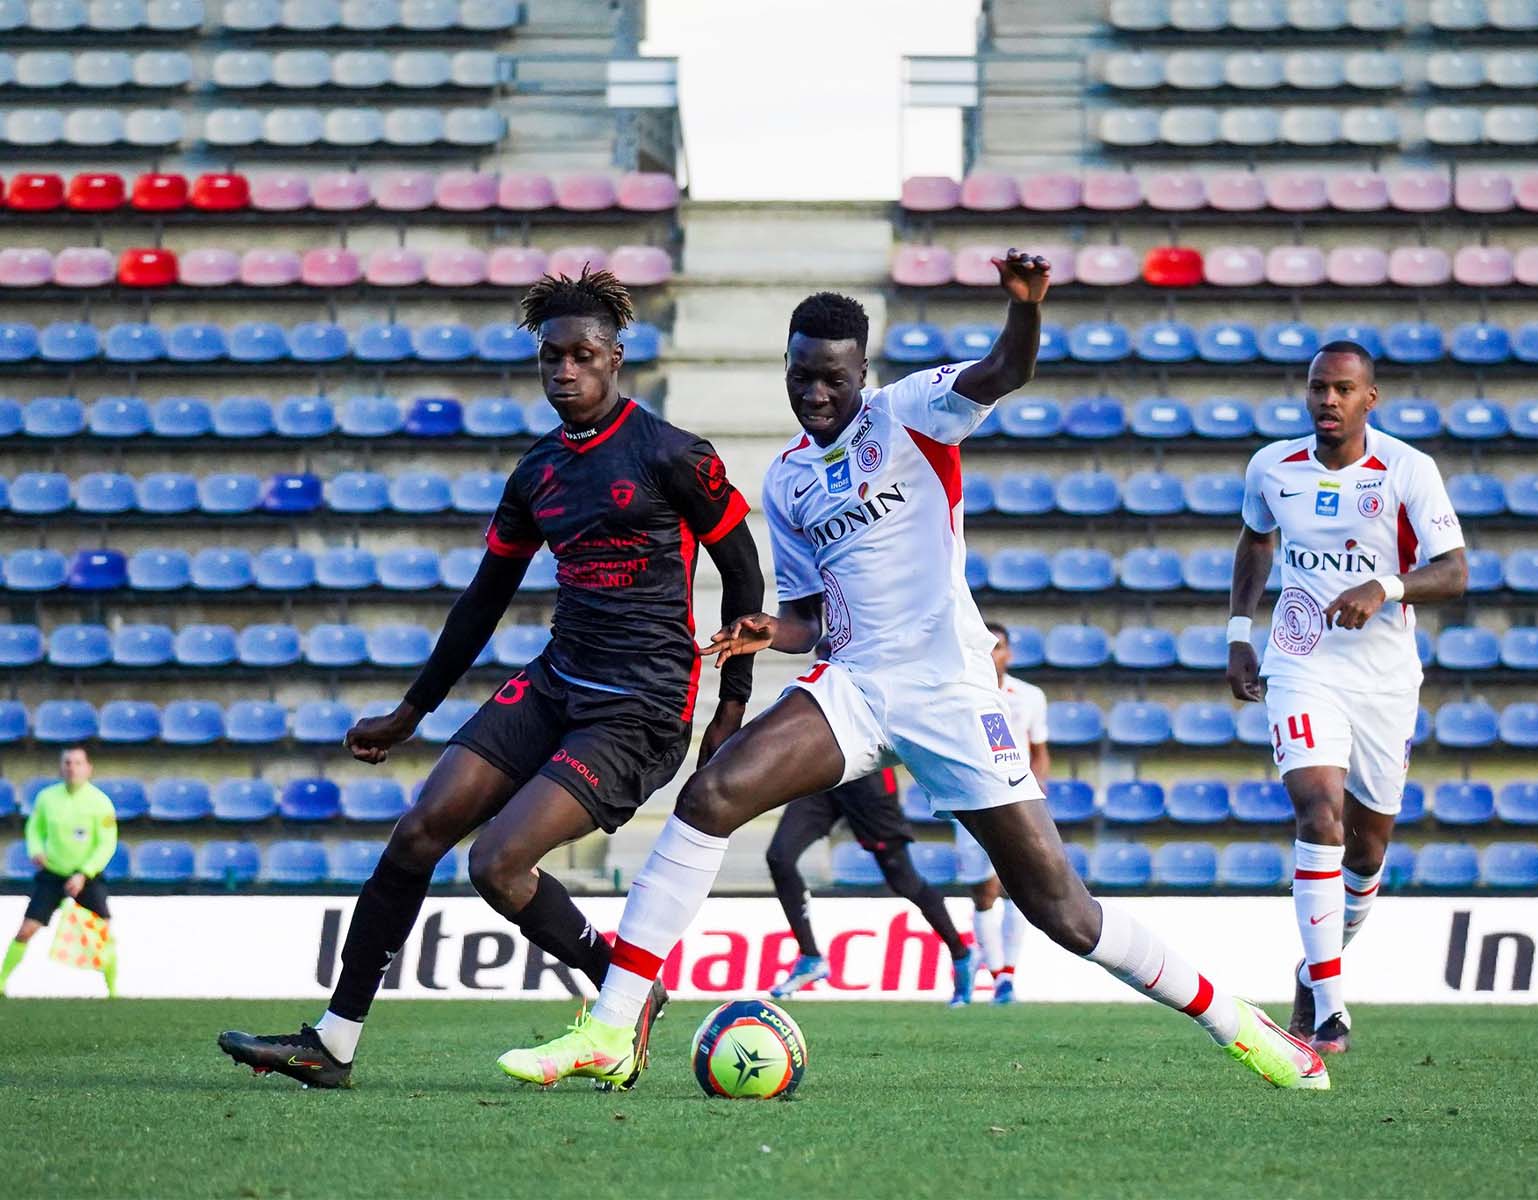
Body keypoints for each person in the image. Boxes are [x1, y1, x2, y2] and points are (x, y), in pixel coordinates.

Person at [500, 251, 1328, 1091]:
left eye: (830, 378)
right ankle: (610, 1026)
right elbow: (814, 613)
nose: (813, 394)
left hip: (951, 691)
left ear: (863, 371)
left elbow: (1010, 368)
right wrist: (770, 629)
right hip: (856, 686)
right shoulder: (787, 481)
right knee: (711, 795)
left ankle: (1242, 1025)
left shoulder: (916, 414)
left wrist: (1025, 308)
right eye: (799, 376)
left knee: (1064, 915)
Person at [218, 268, 764, 1089]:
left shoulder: (673, 455)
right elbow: (483, 599)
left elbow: (745, 572)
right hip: (556, 679)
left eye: (583, 357)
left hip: (642, 706)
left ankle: (620, 983)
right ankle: (330, 1044)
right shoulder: (536, 473)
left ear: (617, 359)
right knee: (418, 833)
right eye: (552, 358)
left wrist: (732, 702)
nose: (565, 373)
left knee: (497, 865)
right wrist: (412, 709)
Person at [1227, 340, 1467, 1056]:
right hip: (1301, 661)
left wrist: (1385, 585)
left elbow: (1454, 572)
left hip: (1386, 678)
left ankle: (1314, 966)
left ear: (1370, 399)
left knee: (1367, 852)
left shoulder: (1406, 469)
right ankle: (1330, 1007)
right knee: (1317, 811)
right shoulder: (1272, 467)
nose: (1327, 401)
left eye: (1341, 390)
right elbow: (1256, 541)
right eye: (1317, 389)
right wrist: (1241, 632)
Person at [764, 705, 974, 1004]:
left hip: (866, 775)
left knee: (904, 880)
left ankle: (961, 954)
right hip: (822, 769)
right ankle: (811, 957)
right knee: (779, 857)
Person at [954, 620, 1049, 1004]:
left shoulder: (1028, 696)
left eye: (998, 647)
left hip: (1017, 801)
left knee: (1015, 886)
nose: (992, 654)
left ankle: (1006, 975)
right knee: (983, 890)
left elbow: (1039, 751)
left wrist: (1038, 795)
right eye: (985, 647)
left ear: (1008, 653)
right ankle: (994, 973)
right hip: (971, 798)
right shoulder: (959, 695)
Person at [2, 747, 118, 998]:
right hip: (53, 874)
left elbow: (107, 844)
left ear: (88, 768)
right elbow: (34, 829)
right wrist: (35, 849)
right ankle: (1, 984)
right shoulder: (47, 798)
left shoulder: (100, 803)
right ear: (61, 767)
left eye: (77, 763)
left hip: (86, 877)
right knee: (26, 930)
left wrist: (84, 873)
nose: (72, 768)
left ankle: (114, 992)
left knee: (104, 932)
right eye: (67, 762)